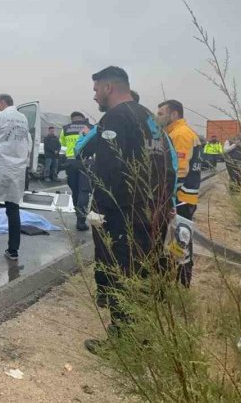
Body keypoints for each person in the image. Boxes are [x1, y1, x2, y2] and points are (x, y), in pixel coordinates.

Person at [80, 66, 176, 354]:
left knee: (121, 275)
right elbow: (167, 165)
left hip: (124, 215)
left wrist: (100, 209)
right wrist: (165, 204)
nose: (94, 95)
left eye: (97, 89)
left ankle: (123, 344)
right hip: (151, 213)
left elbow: (109, 169)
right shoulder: (149, 117)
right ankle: (142, 336)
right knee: (143, 274)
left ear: (109, 87)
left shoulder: (115, 118)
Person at [0, 94, 31, 260]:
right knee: (13, 208)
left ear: (1, 103)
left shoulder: (0, 116)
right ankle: (13, 250)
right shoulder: (23, 119)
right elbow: (27, 142)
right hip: (17, 170)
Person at [157, 99, 201, 287]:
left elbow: (179, 171)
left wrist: (168, 198)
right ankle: (175, 282)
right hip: (182, 198)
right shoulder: (174, 132)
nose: (157, 117)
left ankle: (182, 285)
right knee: (175, 244)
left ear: (173, 114)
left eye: (160, 113)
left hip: (181, 199)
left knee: (180, 245)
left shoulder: (180, 134)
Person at [60, 112, 93, 231]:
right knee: (84, 190)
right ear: (83, 118)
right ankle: (81, 221)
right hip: (85, 161)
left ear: (72, 119)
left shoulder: (65, 129)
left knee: (75, 190)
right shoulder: (90, 127)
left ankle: (78, 215)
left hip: (70, 162)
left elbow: (63, 145)